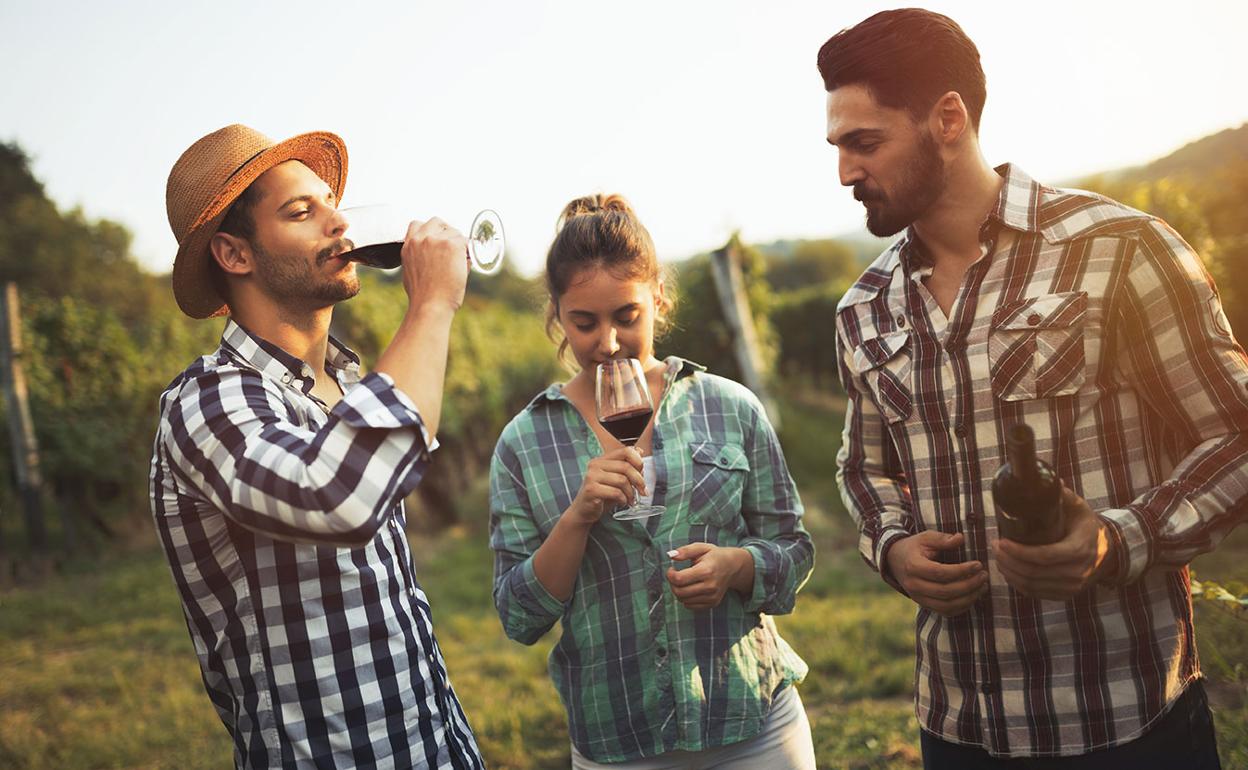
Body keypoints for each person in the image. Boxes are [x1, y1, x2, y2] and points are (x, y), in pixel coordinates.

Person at [822, 9, 1246, 769]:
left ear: (947, 119)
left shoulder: (1120, 251)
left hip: (1125, 721)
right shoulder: (864, 308)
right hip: (956, 726)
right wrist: (892, 545)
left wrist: (1119, 538)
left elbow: (1236, 435)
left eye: (865, 143)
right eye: (839, 147)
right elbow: (864, 467)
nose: (846, 172)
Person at [151, 124, 485, 769]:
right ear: (235, 254)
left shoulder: (350, 387)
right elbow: (339, 498)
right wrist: (432, 306)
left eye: (332, 202)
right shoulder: (206, 403)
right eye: (301, 211)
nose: (340, 223)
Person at [488, 194, 816, 769]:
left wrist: (738, 566)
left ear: (658, 297)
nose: (608, 342)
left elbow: (794, 549)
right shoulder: (523, 442)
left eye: (626, 316)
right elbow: (519, 616)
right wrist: (578, 517)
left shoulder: (730, 407)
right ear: (557, 315)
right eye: (584, 322)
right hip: (619, 741)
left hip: (753, 724)